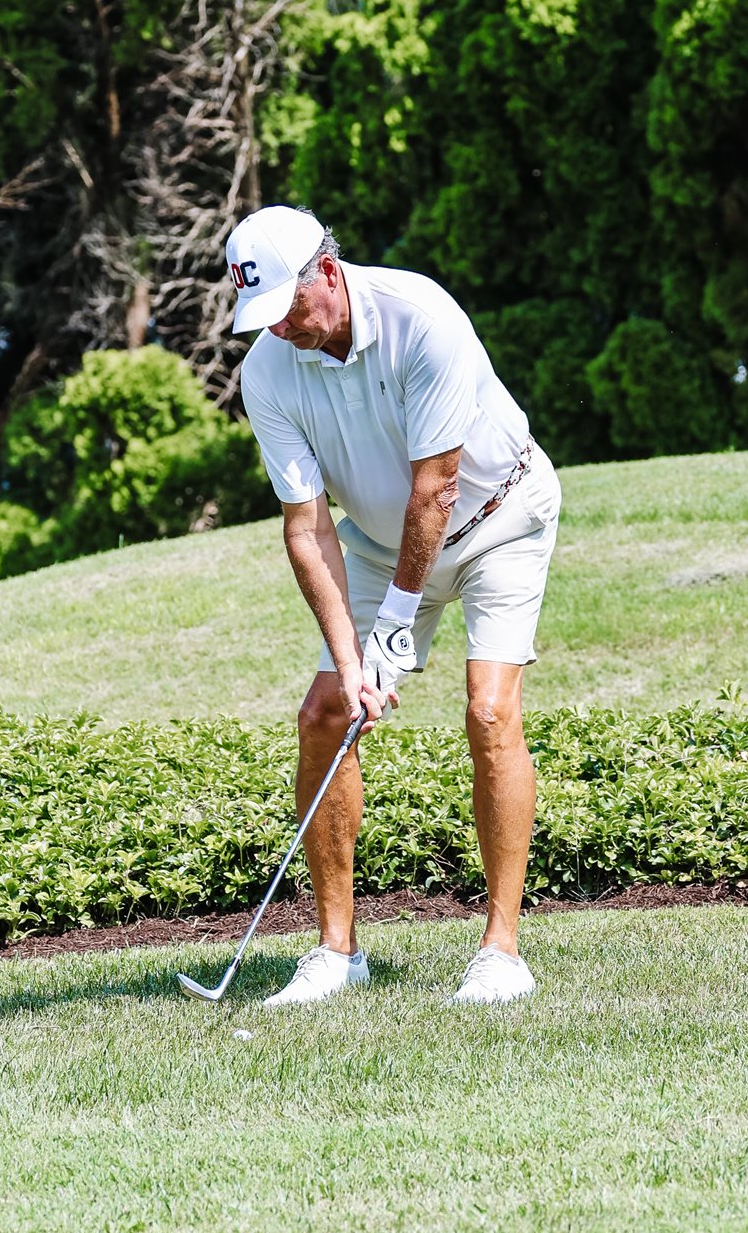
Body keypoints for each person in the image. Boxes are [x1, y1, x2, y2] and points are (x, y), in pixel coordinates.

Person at [227, 204, 561, 1008]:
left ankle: (501, 953)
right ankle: (336, 952)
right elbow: (306, 527)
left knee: (489, 711)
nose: (279, 330)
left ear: (327, 273)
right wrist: (352, 661)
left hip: (499, 521)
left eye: (287, 308)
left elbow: (436, 489)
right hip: (380, 546)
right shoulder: (267, 373)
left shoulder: (422, 317)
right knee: (324, 714)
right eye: (262, 316)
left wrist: (390, 634)